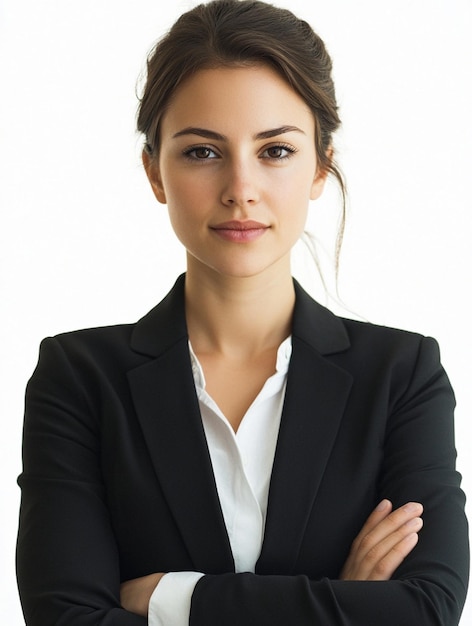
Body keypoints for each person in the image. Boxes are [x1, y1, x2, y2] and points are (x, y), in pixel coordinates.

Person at [16, 0, 469, 624]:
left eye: (276, 151)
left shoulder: (401, 375)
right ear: (154, 172)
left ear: (320, 165)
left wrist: (174, 598)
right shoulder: (78, 378)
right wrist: (342, 598)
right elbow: (65, 617)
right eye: (202, 152)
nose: (240, 187)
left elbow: (425, 611)